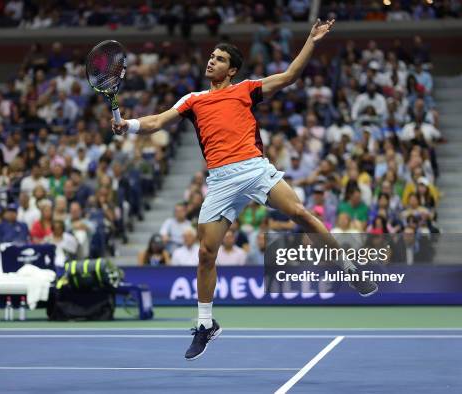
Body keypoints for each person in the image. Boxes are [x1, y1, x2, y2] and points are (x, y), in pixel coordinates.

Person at [112, 19, 376, 361]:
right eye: (211, 56)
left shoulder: (246, 89)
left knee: (300, 213)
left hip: (253, 168)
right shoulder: (192, 100)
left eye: (219, 59)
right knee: (206, 254)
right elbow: (157, 121)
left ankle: (346, 266)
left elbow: (289, 76)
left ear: (232, 69)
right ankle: (206, 325)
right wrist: (128, 125)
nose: (211, 61)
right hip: (220, 180)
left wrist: (311, 40)